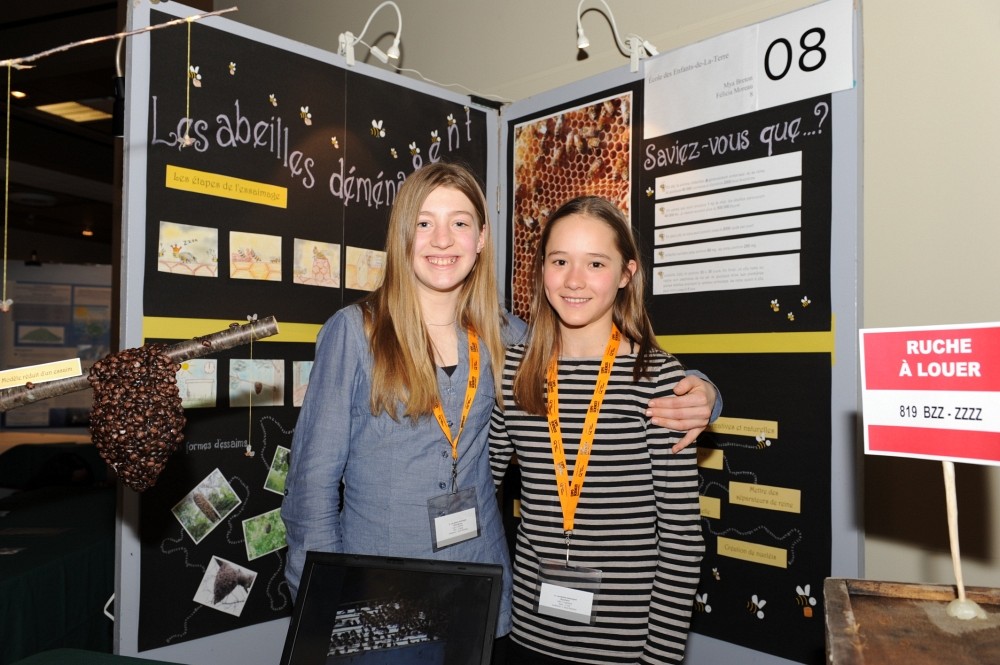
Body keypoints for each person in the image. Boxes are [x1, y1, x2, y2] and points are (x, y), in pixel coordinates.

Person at [280, 163, 717, 656]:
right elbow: (311, 485)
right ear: (402, 234)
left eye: (460, 223)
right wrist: (324, 605)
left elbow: (586, 363)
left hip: (479, 592)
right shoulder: (356, 332)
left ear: (482, 237)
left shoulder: (507, 339)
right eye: (424, 223)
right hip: (379, 597)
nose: (442, 240)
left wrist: (706, 394)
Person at [489, 195, 705, 664]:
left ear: (627, 274)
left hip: (626, 648)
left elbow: (681, 542)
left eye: (596, 263)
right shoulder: (514, 372)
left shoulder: (659, 381)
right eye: (560, 260)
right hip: (527, 634)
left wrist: (659, 657)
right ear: (541, 267)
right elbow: (479, 482)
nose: (573, 280)